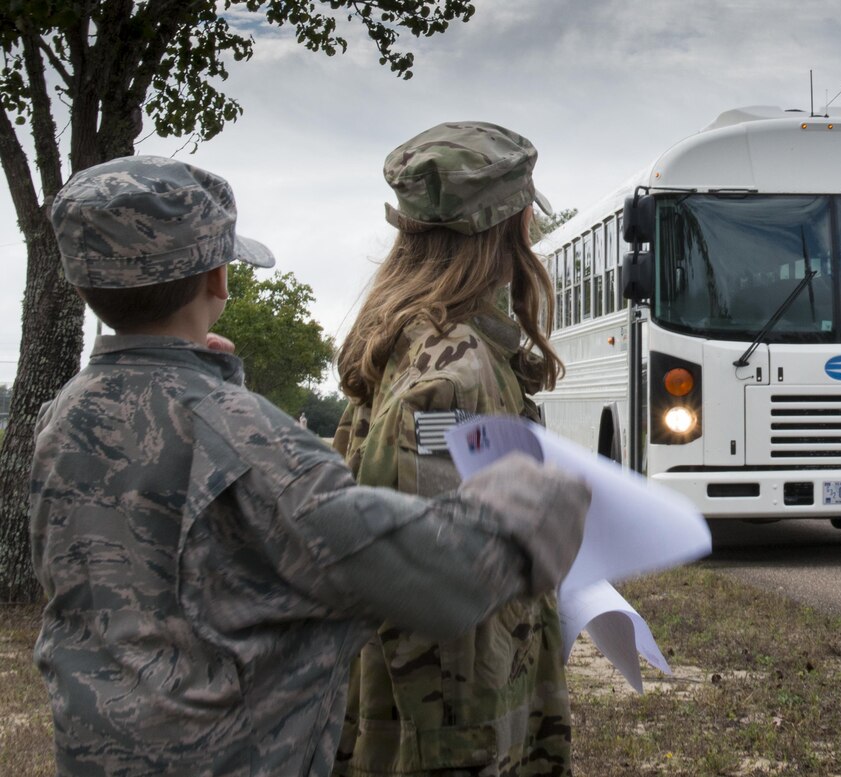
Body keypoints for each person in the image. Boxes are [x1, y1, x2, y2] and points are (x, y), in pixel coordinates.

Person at [29, 154, 591, 777]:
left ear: (84, 285)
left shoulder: (65, 415)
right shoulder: (250, 440)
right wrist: (529, 507)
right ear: (219, 279)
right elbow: (430, 580)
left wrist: (201, 382)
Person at [332, 122, 572, 777]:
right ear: (516, 225)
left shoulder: (410, 344)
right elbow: (437, 575)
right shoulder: (452, 377)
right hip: (452, 729)